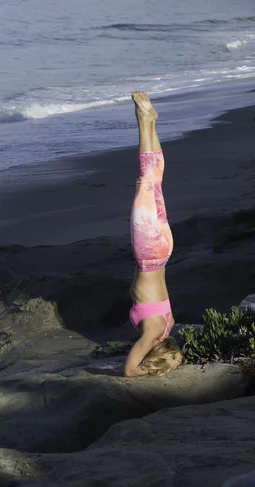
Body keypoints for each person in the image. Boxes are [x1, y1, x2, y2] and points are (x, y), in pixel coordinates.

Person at [124, 91, 183, 377]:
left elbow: (134, 364)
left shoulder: (159, 330)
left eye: (174, 362)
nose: (178, 362)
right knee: (147, 181)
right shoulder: (156, 331)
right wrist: (148, 372)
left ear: (163, 354)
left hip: (162, 252)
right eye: (178, 363)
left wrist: (153, 365)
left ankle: (149, 122)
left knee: (154, 181)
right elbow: (129, 371)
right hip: (149, 253)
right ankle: (144, 120)